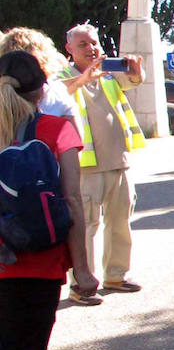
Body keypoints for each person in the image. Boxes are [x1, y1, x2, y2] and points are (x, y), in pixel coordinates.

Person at [0, 50, 98, 350]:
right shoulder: (56, 130)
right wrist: (82, 269)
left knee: (21, 344)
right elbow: (74, 204)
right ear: (44, 90)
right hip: (33, 266)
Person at [57, 23, 146, 302]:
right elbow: (57, 96)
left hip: (118, 162)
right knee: (85, 227)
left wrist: (136, 71)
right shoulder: (61, 76)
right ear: (69, 49)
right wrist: (84, 78)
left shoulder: (108, 74)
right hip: (85, 167)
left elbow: (133, 82)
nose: (91, 48)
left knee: (120, 221)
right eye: (83, 45)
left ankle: (116, 275)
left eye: (93, 43)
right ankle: (82, 284)